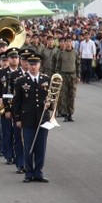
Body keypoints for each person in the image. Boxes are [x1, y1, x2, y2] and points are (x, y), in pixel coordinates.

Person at [12, 53, 51, 183]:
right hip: (27, 119)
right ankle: (28, 173)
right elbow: (16, 102)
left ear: (40, 65)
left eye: (36, 64)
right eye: (31, 64)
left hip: (42, 118)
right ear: (27, 65)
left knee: (41, 146)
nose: (33, 67)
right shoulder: (21, 81)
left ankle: (38, 172)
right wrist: (17, 118)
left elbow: (54, 98)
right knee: (28, 146)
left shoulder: (47, 79)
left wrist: (49, 105)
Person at [53, 36, 80, 122]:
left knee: (71, 95)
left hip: (72, 76)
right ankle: (64, 113)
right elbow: (58, 66)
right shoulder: (61, 53)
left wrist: (78, 76)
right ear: (65, 43)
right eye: (67, 41)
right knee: (64, 95)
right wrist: (58, 76)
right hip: (63, 75)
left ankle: (70, 114)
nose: (68, 43)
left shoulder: (75, 53)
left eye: (70, 41)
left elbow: (78, 65)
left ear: (72, 43)